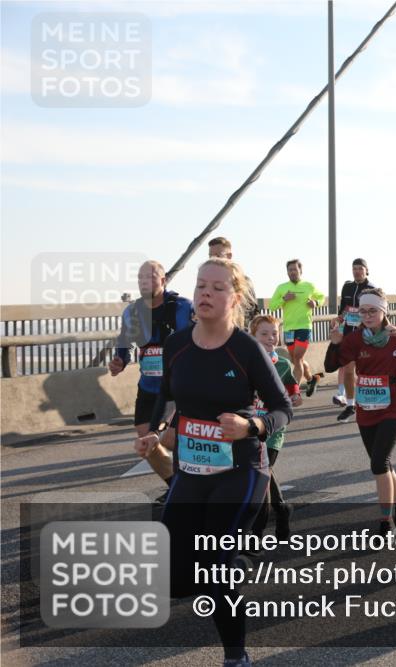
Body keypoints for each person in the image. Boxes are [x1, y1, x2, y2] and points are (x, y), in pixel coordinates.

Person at [135, 258, 293, 666]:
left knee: (214, 566)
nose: (205, 293)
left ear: (234, 298)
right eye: (201, 285)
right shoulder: (177, 345)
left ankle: (236, 656)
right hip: (191, 471)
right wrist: (157, 430)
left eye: (217, 288)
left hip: (241, 471)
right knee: (172, 574)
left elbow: (282, 408)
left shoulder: (246, 349)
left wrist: (251, 424)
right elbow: (167, 397)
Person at [325, 288, 396, 535]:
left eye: (373, 310)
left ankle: (385, 522)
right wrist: (334, 344)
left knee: (379, 462)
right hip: (366, 406)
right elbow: (331, 365)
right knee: (382, 464)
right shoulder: (355, 338)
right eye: (363, 311)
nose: (367, 315)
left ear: (383, 311)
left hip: (394, 403)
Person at [110, 260, 194, 492]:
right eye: (140, 278)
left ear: (163, 280)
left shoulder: (183, 308)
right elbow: (124, 343)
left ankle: (199, 485)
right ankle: (177, 487)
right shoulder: (132, 312)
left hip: (178, 387)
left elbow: (202, 338)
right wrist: (121, 360)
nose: (144, 281)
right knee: (145, 443)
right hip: (148, 386)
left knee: (172, 440)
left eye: (150, 276)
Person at [249, 315, 302, 542]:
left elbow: (293, 391)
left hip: (272, 432)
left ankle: (256, 535)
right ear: (252, 336)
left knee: (260, 479)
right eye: (264, 334)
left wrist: (296, 397)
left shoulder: (282, 364)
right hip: (250, 430)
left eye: (274, 334)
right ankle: (282, 509)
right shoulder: (244, 362)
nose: (271, 338)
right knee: (263, 475)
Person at [269, 260, 325, 396]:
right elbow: (272, 306)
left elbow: (322, 297)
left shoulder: (308, 286)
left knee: (298, 358)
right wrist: (284, 299)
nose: (292, 272)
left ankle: (295, 391)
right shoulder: (282, 287)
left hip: (304, 326)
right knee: (295, 359)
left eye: (294, 269)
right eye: (290, 270)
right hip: (289, 329)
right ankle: (312, 379)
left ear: (300, 270)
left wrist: (315, 302)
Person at [333, 258, 376, 421]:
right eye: (354, 268)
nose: (357, 271)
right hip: (349, 334)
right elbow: (344, 309)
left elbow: (378, 312)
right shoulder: (347, 286)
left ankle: (372, 401)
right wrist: (339, 319)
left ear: (366, 270)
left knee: (366, 370)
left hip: (366, 334)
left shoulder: (371, 289)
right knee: (348, 368)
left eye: (360, 268)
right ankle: (350, 405)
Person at [208, 237, 261, 327]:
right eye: (210, 256)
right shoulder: (207, 283)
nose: (213, 260)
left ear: (229, 256)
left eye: (217, 256)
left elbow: (253, 312)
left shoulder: (244, 283)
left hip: (241, 332)